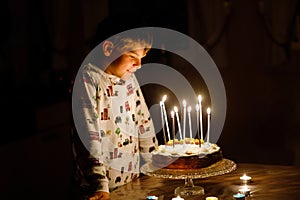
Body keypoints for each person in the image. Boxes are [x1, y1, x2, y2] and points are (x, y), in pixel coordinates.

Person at [71, 14, 158, 200]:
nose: (139, 65)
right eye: (132, 56)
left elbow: (144, 122)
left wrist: (153, 167)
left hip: (132, 182)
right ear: (108, 48)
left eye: (142, 57)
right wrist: (100, 184)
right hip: (100, 190)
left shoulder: (129, 79)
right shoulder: (87, 80)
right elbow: (88, 135)